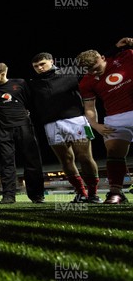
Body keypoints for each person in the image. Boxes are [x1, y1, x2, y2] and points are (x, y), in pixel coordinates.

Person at [29, 52, 102, 203]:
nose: (39, 68)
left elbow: (94, 65)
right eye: (36, 66)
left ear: (52, 61)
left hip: (76, 120)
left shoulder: (70, 72)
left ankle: (93, 194)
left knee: (85, 157)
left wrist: (115, 49)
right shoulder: (33, 83)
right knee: (66, 160)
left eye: (42, 64)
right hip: (51, 125)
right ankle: (81, 193)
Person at [76, 37, 133, 204]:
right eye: (89, 71)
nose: (94, 73)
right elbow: (89, 107)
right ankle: (116, 193)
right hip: (115, 118)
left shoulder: (127, 56)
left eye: (95, 68)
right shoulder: (86, 81)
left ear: (102, 57)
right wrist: (95, 125)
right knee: (114, 152)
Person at [0, 63, 45, 204]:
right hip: (2, 129)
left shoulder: (20, 83)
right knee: (6, 162)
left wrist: (27, 114)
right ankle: (8, 196)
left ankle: (36, 195)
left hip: (24, 126)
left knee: (32, 160)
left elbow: (30, 101)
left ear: (3, 73)